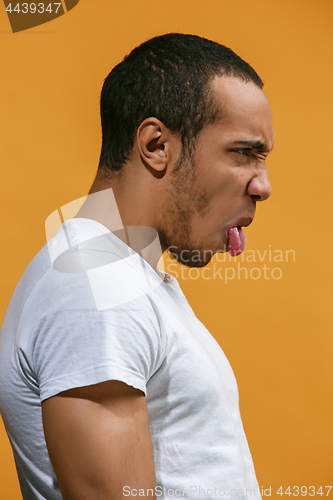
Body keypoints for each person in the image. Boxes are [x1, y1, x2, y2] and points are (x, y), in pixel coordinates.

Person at [0, 33, 274, 500]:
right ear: (155, 145)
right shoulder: (94, 290)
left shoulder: (122, 276)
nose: (263, 186)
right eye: (244, 152)